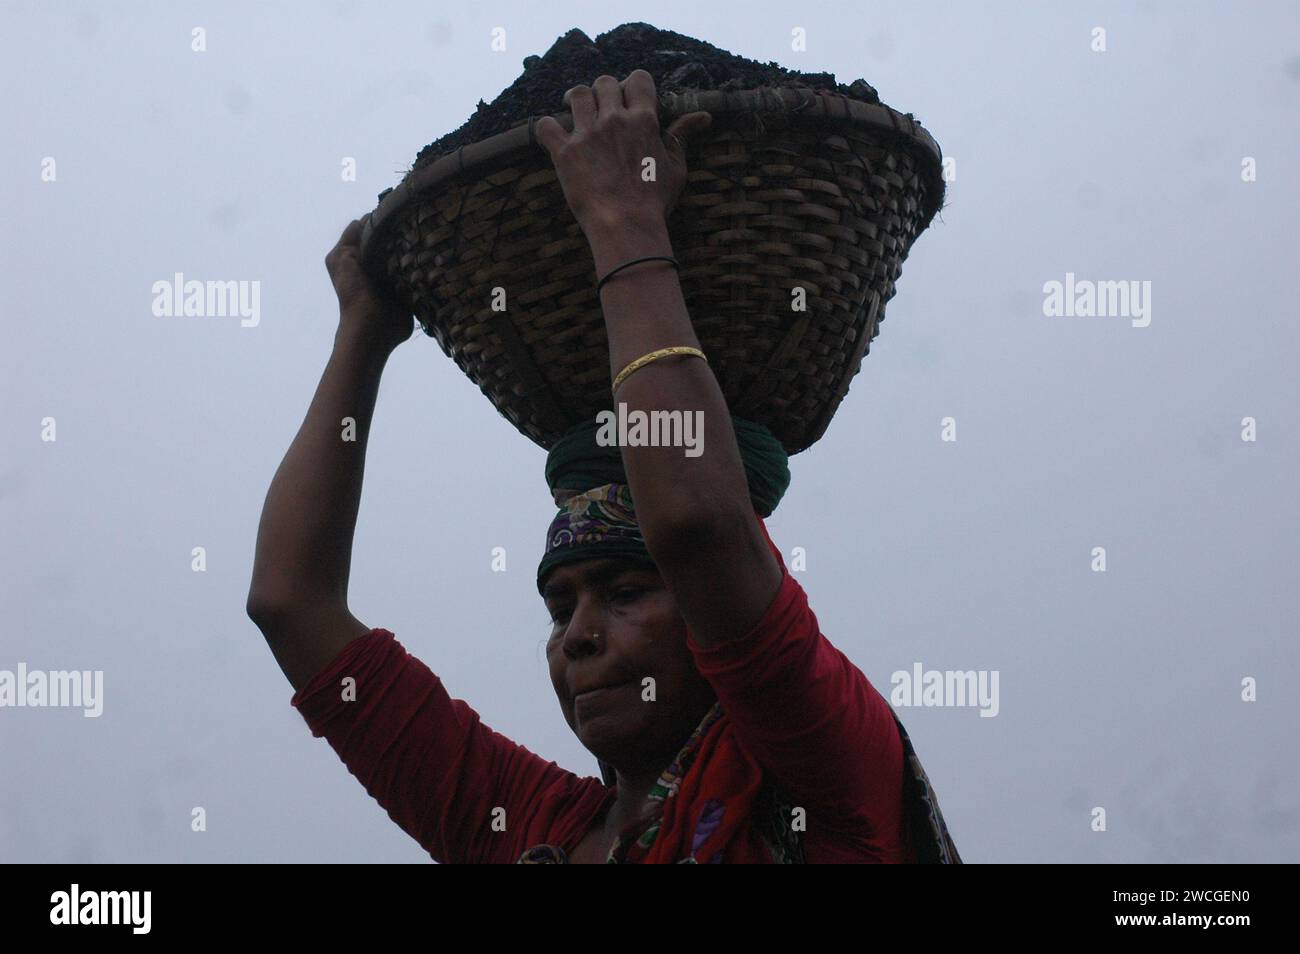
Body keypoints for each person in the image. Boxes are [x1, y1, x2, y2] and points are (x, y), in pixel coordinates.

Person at [246, 70, 960, 863]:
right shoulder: (531, 831)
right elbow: (290, 603)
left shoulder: (818, 765)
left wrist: (623, 223)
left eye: (624, 592)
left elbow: (698, 526)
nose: (579, 636)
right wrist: (363, 336)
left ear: (722, 604)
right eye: (559, 607)